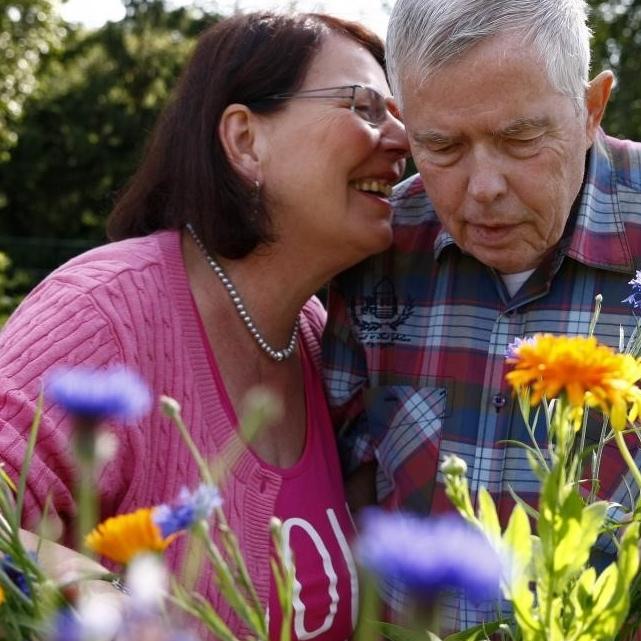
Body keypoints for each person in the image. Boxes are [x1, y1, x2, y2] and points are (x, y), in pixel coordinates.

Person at [0, 11, 408, 639]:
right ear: (245, 139)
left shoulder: (316, 336)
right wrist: (116, 613)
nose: (402, 138)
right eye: (365, 106)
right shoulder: (104, 313)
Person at [323, 0, 641, 629]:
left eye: (520, 139)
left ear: (590, 109)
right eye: (440, 147)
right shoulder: (375, 252)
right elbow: (347, 488)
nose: (484, 187)